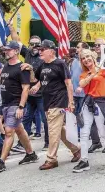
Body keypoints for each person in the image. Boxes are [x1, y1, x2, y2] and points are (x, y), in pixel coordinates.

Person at [28, 40, 80, 170]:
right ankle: (77, 149)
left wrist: (71, 101)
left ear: (51, 51)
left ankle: (51, 159)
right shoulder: (43, 65)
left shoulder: (60, 64)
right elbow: (38, 79)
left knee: (52, 131)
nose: (40, 52)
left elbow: (68, 84)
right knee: (59, 131)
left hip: (58, 101)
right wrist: (31, 73)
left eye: (42, 49)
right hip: (47, 101)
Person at [73, 49, 105, 173]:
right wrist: (92, 74)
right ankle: (84, 160)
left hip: (100, 102)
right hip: (88, 102)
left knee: (103, 131)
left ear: (93, 57)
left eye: (88, 56)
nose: (86, 59)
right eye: (83, 58)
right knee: (84, 132)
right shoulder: (84, 73)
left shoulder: (103, 69)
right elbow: (82, 83)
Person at [0, 41, 38, 172]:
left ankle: (1, 161)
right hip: (6, 104)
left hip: (15, 104)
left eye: (9, 50)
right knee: (19, 130)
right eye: (5, 50)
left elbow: (25, 88)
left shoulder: (22, 68)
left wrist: (21, 107)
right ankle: (30, 154)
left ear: (16, 51)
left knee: (9, 132)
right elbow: (5, 82)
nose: (6, 52)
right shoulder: (6, 66)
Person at [8, 24, 49, 152]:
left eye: (37, 44)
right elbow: (17, 41)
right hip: (29, 94)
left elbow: (47, 76)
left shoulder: (43, 57)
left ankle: (48, 142)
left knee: (45, 119)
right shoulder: (27, 53)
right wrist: (11, 28)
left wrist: (37, 86)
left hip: (42, 94)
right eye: (32, 44)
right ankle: (21, 143)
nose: (35, 46)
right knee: (25, 118)